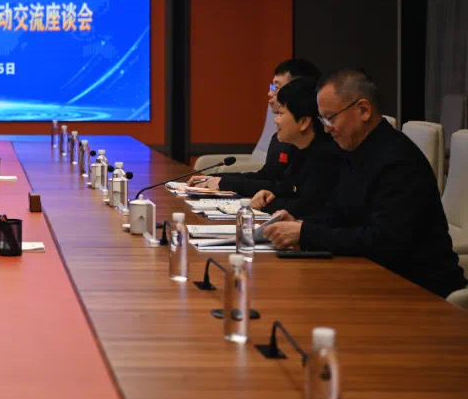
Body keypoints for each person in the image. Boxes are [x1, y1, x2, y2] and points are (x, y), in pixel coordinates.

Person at [263, 70, 467, 298]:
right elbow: (339, 212)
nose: (327, 128)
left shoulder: (398, 161)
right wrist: (301, 223)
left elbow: (381, 241)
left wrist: (306, 233)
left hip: (420, 292)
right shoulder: (356, 150)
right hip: (375, 278)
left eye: (330, 118)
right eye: (323, 120)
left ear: (363, 110)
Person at [192, 58, 321, 195]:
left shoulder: (315, 148)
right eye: (271, 87)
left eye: (277, 88)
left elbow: (286, 189)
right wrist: (217, 179)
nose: (270, 93)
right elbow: (267, 176)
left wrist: (226, 183)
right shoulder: (279, 138)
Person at [250, 77, 342, 219]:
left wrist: (267, 204)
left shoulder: (327, 157)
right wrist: (270, 195)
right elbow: (289, 189)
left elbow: (307, 206)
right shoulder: (299, 150)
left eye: (281, 113)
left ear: (304, 122)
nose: (276, 120)